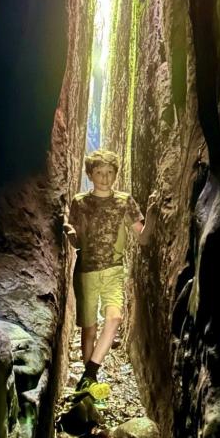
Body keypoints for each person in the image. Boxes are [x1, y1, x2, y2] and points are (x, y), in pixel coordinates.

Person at [63, 149, 158, 396]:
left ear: (115, 174)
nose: (104, 178)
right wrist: (71, 235)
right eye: (99, 173)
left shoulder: (125, 201)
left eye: (109, 173)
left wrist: (151, 216)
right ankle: (88, 388)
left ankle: (89, 374)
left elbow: (144, 238)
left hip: (114, 270)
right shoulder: (79, 202)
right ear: (90, 174)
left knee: (114, 318)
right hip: (85, 271)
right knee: (89, 328)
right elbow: (77, 243)